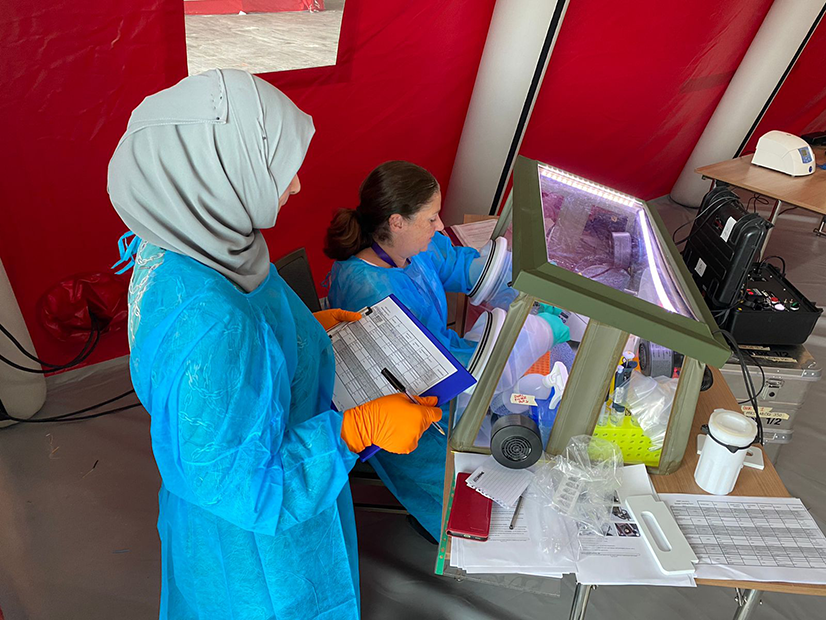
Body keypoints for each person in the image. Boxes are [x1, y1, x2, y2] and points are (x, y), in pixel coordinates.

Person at [107, 70, 441, 620]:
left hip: (240, 496)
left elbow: (239, 343)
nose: (297, 186)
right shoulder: (213, 327)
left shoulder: (188, 240)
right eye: (278, 168)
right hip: (257, 544)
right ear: (217, 171)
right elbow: (249, 485)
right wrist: (358, 430)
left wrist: (303, 331)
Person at [324, 161, 570, 541]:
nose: (440, 226)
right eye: (432, 218)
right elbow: (443, 365)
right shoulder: (370, 289)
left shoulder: (408, 249)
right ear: (397, 222)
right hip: (410, 421)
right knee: (471, 515)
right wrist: (538, 332)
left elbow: (456, 264)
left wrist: (526, 286)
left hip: (436, 386)